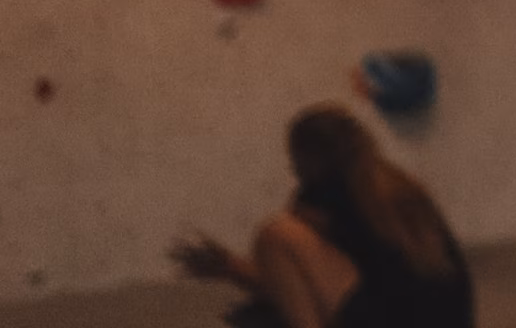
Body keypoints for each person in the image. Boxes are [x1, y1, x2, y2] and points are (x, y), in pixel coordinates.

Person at [170, 105, 473, 328]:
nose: (292, 171)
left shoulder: (318, 199)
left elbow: (293, 287)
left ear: (308, 158)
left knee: (275, 235)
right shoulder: (398, 185)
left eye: (294, 161)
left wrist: (232, 269)